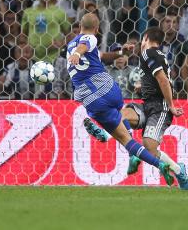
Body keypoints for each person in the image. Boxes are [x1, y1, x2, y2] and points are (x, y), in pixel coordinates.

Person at [66, 13, 174, 185]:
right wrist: (120, 52)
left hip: (94, 100)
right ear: (97, 28)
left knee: (123, 137)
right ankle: (160, 164)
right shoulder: (91, 39)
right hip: (111, 90)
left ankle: (106, 134)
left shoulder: (76, 43)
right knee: (124, 130)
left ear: (80, 26)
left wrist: (78, 54)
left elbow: (85, 45)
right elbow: (97, 52)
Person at [84, 27, 188, 190]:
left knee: (149, 147)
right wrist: (144, 86)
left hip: (160, 108)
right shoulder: (156, 55)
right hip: (148, 104)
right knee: (121, 115)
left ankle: (178, 170)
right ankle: (107, 136)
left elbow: (163, 80)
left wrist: (171, 105)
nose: (141, 43)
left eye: (142, 39)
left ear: (146, 38)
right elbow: (159, 79)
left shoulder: (149, 53)